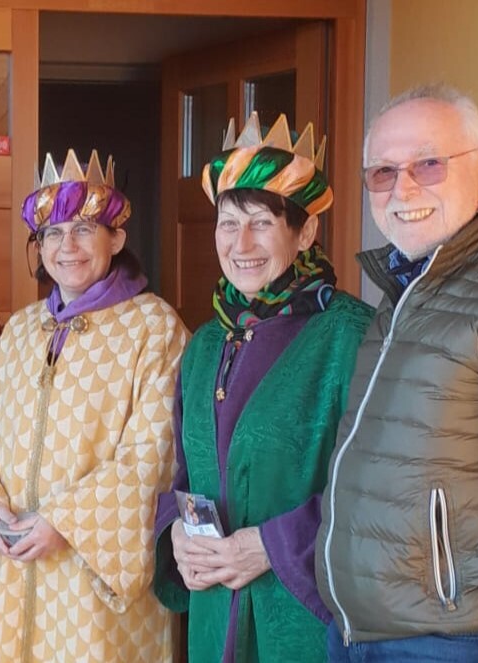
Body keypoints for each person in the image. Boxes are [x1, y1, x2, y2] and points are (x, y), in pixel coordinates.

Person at [317, 83, 478, 663]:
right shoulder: (406, 291)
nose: (402, 189)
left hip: (451, 641)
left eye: (428, 164)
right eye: (382, 172)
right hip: (360, 634)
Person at [0, 149, 189, 662]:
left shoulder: (155, 329)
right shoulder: (22, 329)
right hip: (13, 572)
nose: (66, 246)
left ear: (116, 238)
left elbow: (155, 454)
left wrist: (64, 521)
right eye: (52, 233)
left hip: (95, 579)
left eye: (83, 230)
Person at [152, 112, 373, 663]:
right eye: (228, 223)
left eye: (261, 222)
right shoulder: (205, 344)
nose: (241, 242)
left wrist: (271, 547)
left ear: (305, 232)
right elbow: (187, 474)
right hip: (214, 618)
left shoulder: (352, 336)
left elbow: (379, 491)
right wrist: (175, 531)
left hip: (301, 623)